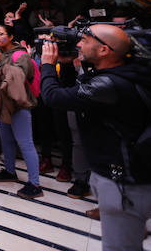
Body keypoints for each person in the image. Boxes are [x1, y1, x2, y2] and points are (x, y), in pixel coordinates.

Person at [40, 24, 151, 251]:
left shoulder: (109, 84)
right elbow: (78, 90)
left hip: (122, 183)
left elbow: (54, 97)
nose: (79, 44)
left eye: (85, 40)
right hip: (125, 174)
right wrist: (70, 65)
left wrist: (48, 65)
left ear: (104, 50)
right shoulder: (122, 73)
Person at [0, 23, 42, 199]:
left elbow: (15, 79)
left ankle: (35, 184)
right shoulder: (1, 54)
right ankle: (10, 171)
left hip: (18, 106)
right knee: (6, 140)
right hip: (2, 104)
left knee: (25, 144)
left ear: (11, 37)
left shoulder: (21, 55)